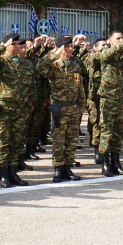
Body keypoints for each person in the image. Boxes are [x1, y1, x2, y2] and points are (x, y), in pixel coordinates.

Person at [0, 33, 33, 188]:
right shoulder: (0, 62)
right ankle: (3, 175)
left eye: (19, 44)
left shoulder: (26, 64)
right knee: (3, 142)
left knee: (17, 142)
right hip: (3, 108)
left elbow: (30, 87)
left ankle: (13, 172)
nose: (18, 47)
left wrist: (28, 105)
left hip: (19, 108)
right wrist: (1, 47)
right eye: (15, 44)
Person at [36, 35, 86, 182]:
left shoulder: (75, 66)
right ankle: (58, 169)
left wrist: (81, 107)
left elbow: (80, 88)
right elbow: (39, 68)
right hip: (59, 108)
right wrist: (53, 53)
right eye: (68, 46)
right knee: (59, 140)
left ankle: (68, 168)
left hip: (73, 108)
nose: (71, 49)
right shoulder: (54, 65)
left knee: (71, 140)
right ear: (61, 49)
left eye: (71, 46)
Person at [97, 28, 123, 176]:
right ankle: (105, 164)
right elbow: (112, 52)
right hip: (108, 99)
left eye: (122, 38)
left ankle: (116, 162)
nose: (121, 41)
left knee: (117, 133)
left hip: (121, 99)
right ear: (110, 41)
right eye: (118, 38)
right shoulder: (105, 54)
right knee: (106, 132)